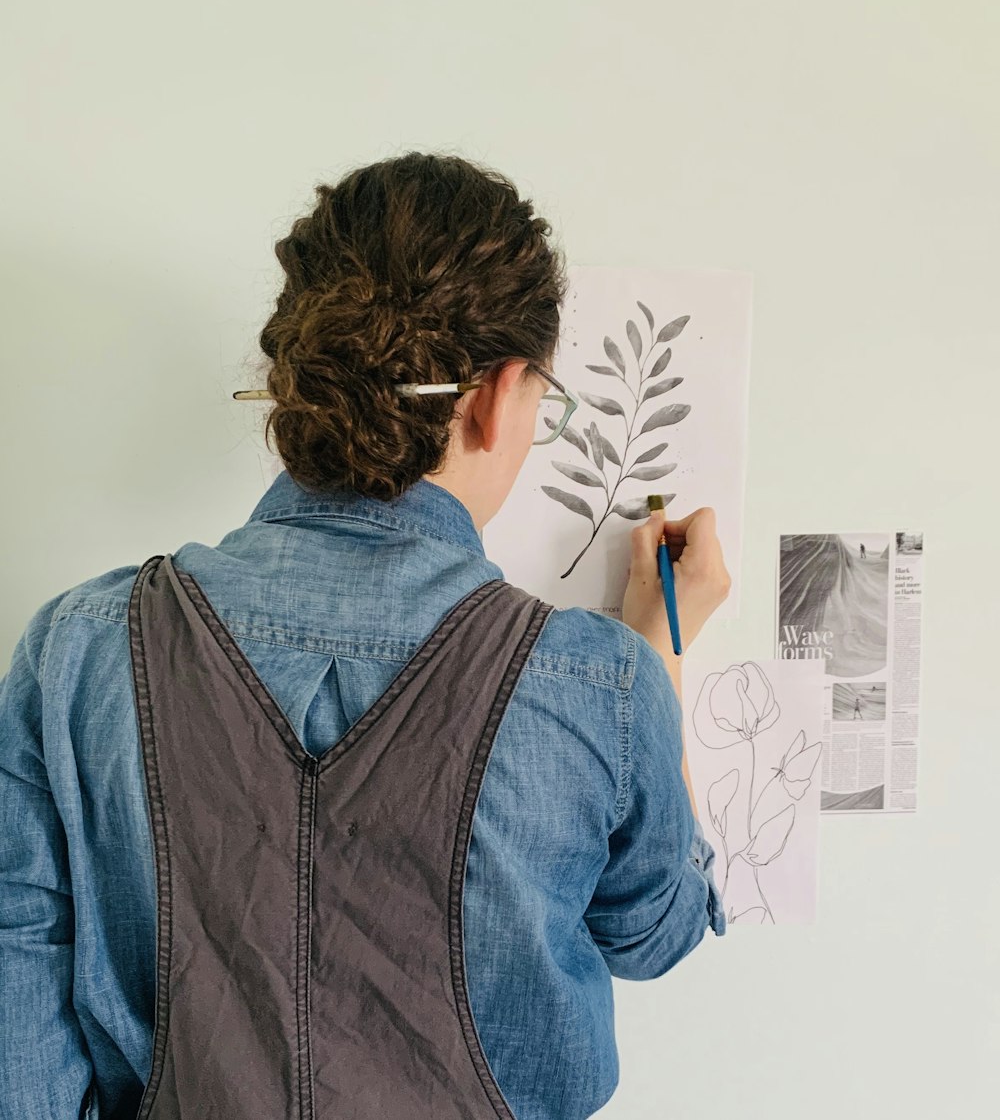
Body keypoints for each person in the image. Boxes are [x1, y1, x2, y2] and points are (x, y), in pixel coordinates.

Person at [0, 152, 730, 1119]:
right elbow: (657, 934)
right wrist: (658, 654)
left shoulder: (76, 651)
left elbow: (23, 1007)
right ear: (498, 396)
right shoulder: (601, 684)